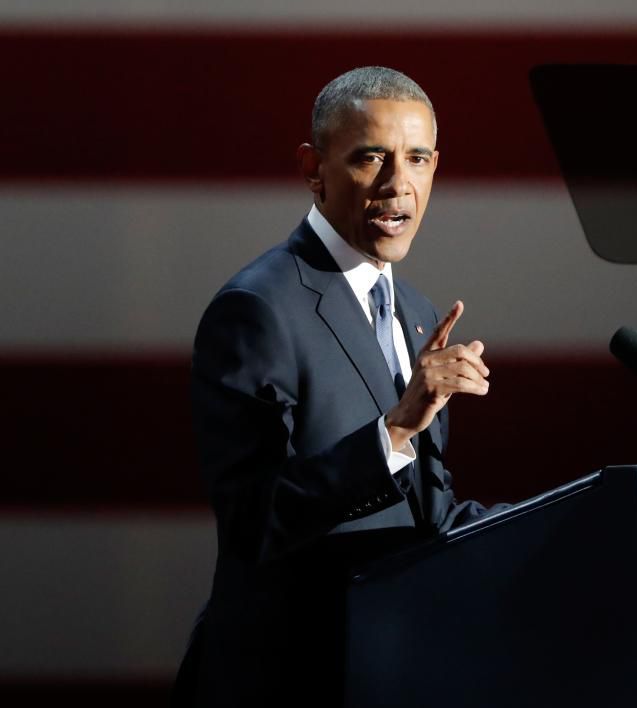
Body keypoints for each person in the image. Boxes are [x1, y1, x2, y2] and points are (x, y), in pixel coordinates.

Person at [173, 66, 501, 707]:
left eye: (417, 159)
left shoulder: (410, 308)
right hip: (283, 681)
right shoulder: (258, 308)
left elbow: (422, 514)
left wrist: (560, 522)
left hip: (388, 673)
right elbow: (253, 522)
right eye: (370, 158)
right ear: (312, 168)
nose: (397, 185)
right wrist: (397, 429)